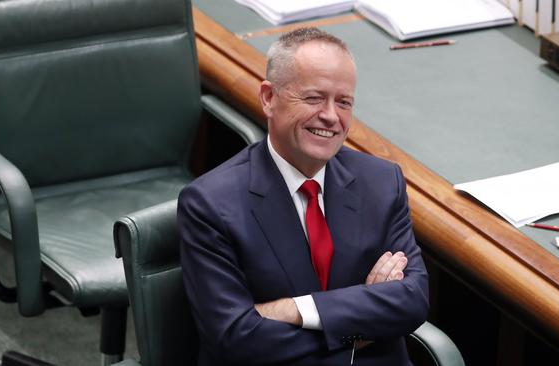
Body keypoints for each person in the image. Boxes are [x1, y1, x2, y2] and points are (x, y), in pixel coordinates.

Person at [178, 27, 429, 365]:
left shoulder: (382, 183)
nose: (330, 116)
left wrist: (294, 309)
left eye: (343, 102)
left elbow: (412, 300)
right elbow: (234, 338)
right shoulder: (209, 204)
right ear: (269, 98)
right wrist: (359, 328)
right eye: (314, 98)